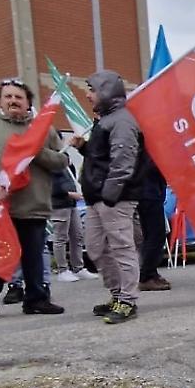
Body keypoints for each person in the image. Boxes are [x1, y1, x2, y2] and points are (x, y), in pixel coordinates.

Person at [0, 78, 68, 317]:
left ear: (28, 103)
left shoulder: (43, 128)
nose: (13, 101)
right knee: (1, 256)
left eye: (19, 97)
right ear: (0, 101)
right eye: (8, 97)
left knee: (33, 256)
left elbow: (61, 161)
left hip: (34, 204)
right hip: (0, 205)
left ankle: (36, 299)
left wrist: (35, 150)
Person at [75, 70, 144, 324]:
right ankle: (117, 295)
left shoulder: (122, 120)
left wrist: (109, 195)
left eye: (91, 89)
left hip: (114, 198)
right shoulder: (105, 120)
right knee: (95, 247)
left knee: (121, 248)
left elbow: (123, 162)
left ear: (105, 91)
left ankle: (128, 300)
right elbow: (101, 160)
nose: (87, 94)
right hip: (98, 197)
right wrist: (84, 148)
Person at [50, 159, 87, 281]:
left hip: (71, 204)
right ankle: (62, 269)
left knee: (77, 235)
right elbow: (51, 185)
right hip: (59, 204)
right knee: (60, 237)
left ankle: (78, 267)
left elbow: (71, 177)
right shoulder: (50, 160)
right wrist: (68, 193)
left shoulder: (63, 158)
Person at [137, 164, 171, 291]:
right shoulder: (147, 150)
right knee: (156, 235)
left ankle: (151, 272)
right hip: (149, 193)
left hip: (149, 191)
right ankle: (146, 276)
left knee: (150, 236)